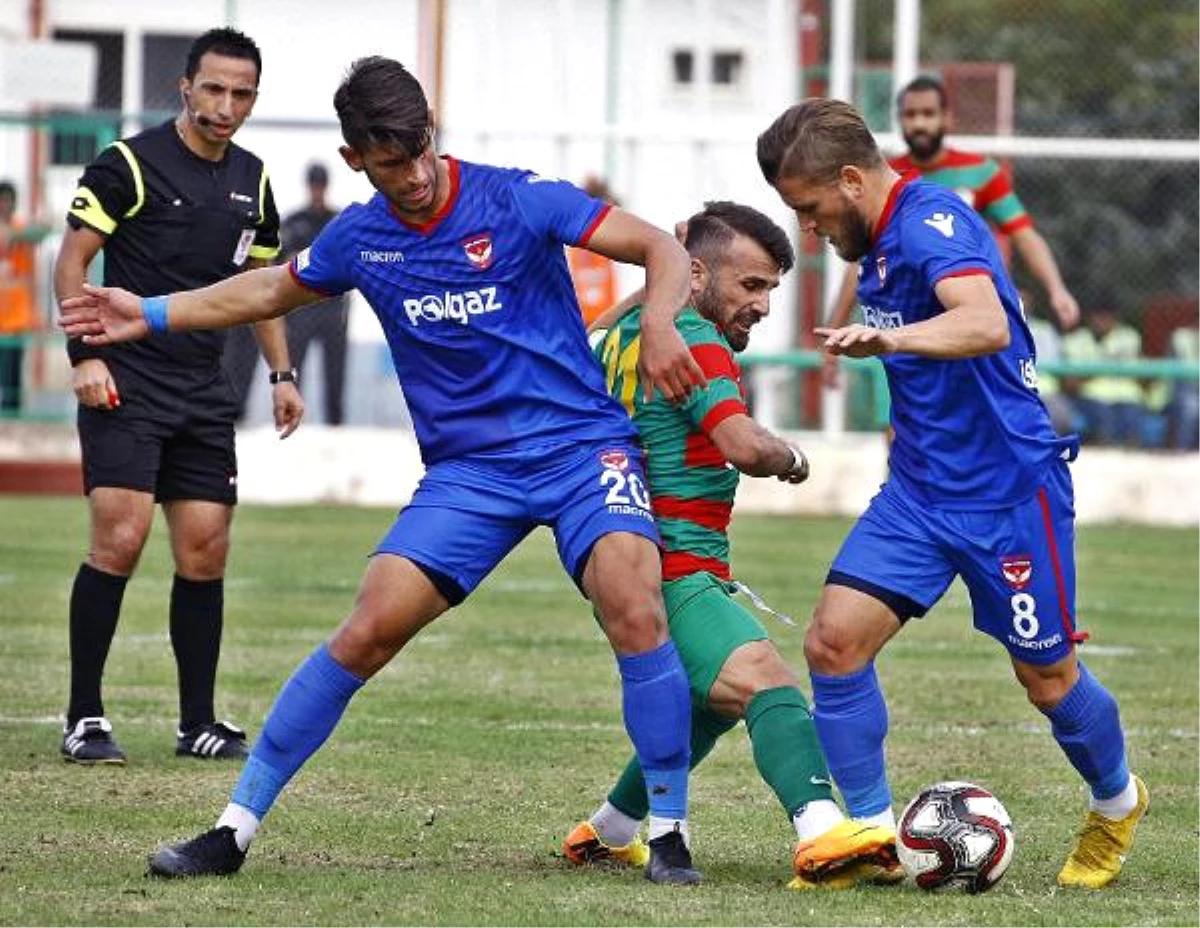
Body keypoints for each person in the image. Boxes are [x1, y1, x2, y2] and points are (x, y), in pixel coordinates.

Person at [61, 55, 710, 884]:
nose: (411, 175)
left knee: (633, 600)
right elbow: (265, 292)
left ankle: (669, 833)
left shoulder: (516, 197)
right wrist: (148, 312)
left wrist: (658, 327)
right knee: (368, 627)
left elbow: (658, 245)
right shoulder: (361, 239)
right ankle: (233, 829)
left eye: (418, 151)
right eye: (389, 161)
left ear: (432, 131)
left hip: (584, 449)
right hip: (471, 474)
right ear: (354, 160)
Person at [756, 98, 1148, 890]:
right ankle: (869, 834)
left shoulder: (935, 224)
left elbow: (983, 322)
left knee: (1048, 681)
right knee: (833, 643)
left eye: (810, 209)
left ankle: (1116, 803)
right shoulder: (876, 244)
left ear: (853, 180)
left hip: (1009, 495)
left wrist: (892, 338)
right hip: (919, 495)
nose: (807, 230)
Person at [561, 201, 899, 890]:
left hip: (620, 551)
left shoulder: (628, 327)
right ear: (696, 275)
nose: (764, 305)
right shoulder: (696, 341)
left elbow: (593, 335)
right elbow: (742, 445)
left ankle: (610, 830)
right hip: (672, 567)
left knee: (709, 706)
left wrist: (660, 274)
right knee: (766, 684)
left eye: (771, 288)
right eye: (750, 286)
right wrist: (794, 458)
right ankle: (822, 831)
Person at [52, 27, 304, 766]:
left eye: (242, 93)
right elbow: (71, 261)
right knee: (120, 540)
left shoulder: (253, 180)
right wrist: (84, 356)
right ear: (185, 88)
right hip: (125, 385)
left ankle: (197, 721)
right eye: (214, 89)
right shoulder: (126, 164)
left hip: (204, 391)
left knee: (206, 552)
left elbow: (266, 291)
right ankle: (84, 716)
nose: (226, 106)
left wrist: (282, 377)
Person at [823, 74, 1080, 393]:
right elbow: (861, 261)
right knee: (900, 430)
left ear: (947, 118)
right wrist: (834, 330)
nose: (919, 124)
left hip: (959, 324)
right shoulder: (883, 179)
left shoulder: (981, 172)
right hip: (897, 322)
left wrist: (1056, 289)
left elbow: (1023, 233)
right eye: (910, 114)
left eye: (928, 114)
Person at [225, 161, 349, 423]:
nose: (318, 191)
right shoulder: (295, 222)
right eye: (314, 185)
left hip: (331, 306)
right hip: (301, 307)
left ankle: (335, 420)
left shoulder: (336, 222)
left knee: (335, 369)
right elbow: (275, 263)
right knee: (295, 364)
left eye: (321, 185)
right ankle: (294, 414)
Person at [1062, 306, 1150, 447]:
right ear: (1089, 318)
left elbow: (1144, 377)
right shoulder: (1075, 340)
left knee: (1132, 415)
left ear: (1115, 318)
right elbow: (1070, 384)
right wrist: (1100, 368)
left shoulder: (1129, 337)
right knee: (1104, 417)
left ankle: (1134, 459)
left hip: (1127, 396)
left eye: (1107, 316)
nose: (1102, 321)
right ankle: (1106, 455)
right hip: (1091, 396)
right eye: (1098, 316)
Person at [0, 180, 44, 413]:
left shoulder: (20, 228)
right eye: (2, 200)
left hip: (15, 317)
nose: (5, 205)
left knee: (12, 376)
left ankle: (11, 416)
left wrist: (16, 236)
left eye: (9, 200)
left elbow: (41, 231)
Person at [567, 175, 621, 327]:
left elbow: (617, 208)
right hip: (585, 315)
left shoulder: (606, 237)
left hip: (600, 314)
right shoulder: (575, 235)